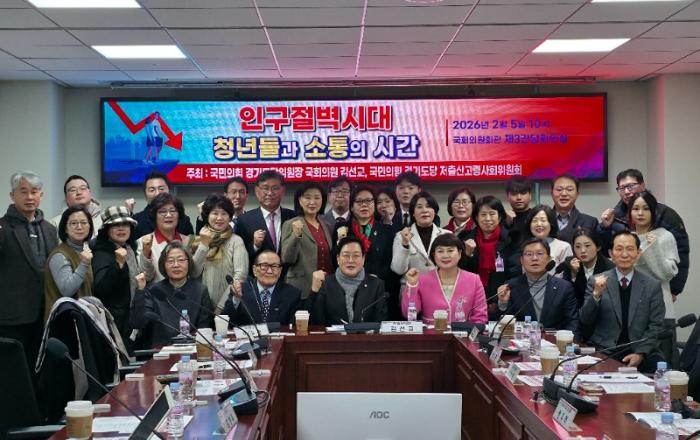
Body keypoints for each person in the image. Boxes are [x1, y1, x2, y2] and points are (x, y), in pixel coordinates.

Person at [580, 230, 666, 373]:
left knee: (662, 373)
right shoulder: (596, 281)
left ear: (638, 253)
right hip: (605, 351)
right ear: (611, 253)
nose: (625, 254)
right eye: (619, 249)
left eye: (630, 249)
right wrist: (596, 294)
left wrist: (640, 354)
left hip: (640, 350)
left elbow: (656, 326)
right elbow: (585, 319)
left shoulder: (652, 285)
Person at [600, 168, 688, 298]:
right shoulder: (614, 216)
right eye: (622, 188)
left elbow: (681, 251)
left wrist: (674, 289)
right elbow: (605, 252)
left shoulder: (666, 215)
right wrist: (604, 228)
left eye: (630, 186)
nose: (626, 192)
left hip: (660, 287)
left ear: (642, 185)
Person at [0, 171, 58, 367]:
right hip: (12, 317)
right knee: (13, 372)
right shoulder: (3, 228)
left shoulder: (50, 230)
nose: (29, 197)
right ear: (12, 195)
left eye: (34, 191)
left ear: (41, 194)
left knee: (41, 371)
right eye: (23, 192)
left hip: (45, 314)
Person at [628, 190, 680, 367]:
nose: (640, 213)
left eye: (646, 208)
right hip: (633, 310)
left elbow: (667, 274)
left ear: (653, 212)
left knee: (663, 365)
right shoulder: (627, 239)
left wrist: (653, 247)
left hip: (661, 309)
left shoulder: (664, 236)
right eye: (635, 208)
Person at [131, 242, 214, 347]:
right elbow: (138, 323)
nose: (176, 265)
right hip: (161, 350)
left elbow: (204, 327)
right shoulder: (154, 290)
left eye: (181, 260)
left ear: (189, 263)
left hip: (193, 348)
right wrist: (140, 291)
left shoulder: (200, 290)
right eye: (170, 261)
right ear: (163, 265)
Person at [335, 186, 398, 319]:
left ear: (374, 205)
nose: (364, 205)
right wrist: (340, 240)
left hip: (378, 289)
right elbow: (335, 259)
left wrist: (373, 277)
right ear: (352, 207)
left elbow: (390, 263)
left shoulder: (386, 230)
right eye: (359, 201)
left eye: (369, 201)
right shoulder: (342, 229)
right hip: (348, 288)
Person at [401, 233, 487, 324]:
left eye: (450, 250)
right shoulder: (422, 280)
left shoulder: (474, 280)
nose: (445, 255)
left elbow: (480, 317)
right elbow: (408, 314)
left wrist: (468, 332)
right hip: (431, 332)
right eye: (440, 251)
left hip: (463, 332)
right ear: (434, 255)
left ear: (459, 253)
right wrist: (412, 285)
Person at [496, 238, 578, 332]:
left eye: (539, 253)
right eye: (529, 254)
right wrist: (503, 303)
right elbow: (504, 326)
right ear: (521, 260)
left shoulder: (564, 287)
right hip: (522, 339)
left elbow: (572, 322)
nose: (534, 258)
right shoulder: (511, 286)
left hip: (554, 340)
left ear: (549, 259)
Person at [190, 194, 248, 313]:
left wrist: (222, 306)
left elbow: (240, 275)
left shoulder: (236, 241)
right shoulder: (197, 240)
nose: (219, 218)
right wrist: (204, 245)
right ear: (207, 215)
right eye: (215, 213)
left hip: (227, 306)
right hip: (199, 305)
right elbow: (193, 273)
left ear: (230, 217)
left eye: (224, 214)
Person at [310, 236, 388, 325]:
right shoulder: (326, 284)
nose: (351, 260)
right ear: (338, 259)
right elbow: (315, 321)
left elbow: (381, 323)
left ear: (363, 259)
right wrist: (314, 292)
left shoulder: (376, 285)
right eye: (346, 255)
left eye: (356, 256)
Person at [91, 206, 142, 341]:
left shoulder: (129, 248)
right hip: (113, 323)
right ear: (106, 229)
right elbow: (101, 289)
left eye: (125, 224)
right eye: (115, 225)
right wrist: (118, 265)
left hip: (130, 318)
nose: (121, 229)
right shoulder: (101, 252)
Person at [461, 196, 521, 308]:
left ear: (499, 217)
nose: (488, 219)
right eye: (483, 214)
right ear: (476, 217)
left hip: (504, 299)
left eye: (492, 214)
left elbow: (515, 272)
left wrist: (497, 300)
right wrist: (467, 255)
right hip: (471, 299)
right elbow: (461, 274)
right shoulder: (466, 240)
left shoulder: (511, 239)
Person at [223, 250, 306, 326]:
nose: (269, 271)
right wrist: (236, 299)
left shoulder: (292, 294)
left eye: (274, 266)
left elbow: (294, 329)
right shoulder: (241, 290)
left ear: (280, 271)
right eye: (264, 266)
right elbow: (226, 323)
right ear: (254, 270)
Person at [280, 182, 333, 300]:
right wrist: (296, 235)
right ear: (300, 200)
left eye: (317, 198)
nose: (312, 202)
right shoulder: (291, 224)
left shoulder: (327, 226)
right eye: (307, 197)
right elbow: (287, 258)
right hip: (302, 288)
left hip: (326, 287)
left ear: (323, 200)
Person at [44, 206, 95, 320]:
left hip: (81, 318)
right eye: (73, 223)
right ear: (65, 228)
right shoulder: (59, 255)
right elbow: (67, 290)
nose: (79, 227)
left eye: (83, 222)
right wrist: (84, 264)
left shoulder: (84, 251)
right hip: (64, 320)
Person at [391, 191, 450, 288]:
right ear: (413, 213)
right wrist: (405, 244)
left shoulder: (447, 235)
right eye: (419, 207)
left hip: (440, 288)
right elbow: (398, 270)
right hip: (412, 288)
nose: (424, 210)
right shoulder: (401, 236)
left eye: (428, 206)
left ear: (434, 211)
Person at [235, 170, 296, 262]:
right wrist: (255, 245)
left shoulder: (294, 218)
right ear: (257, 191)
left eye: (275, 188)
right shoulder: (244, 220)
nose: (270, 193)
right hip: (259, 270)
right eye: (265, 188)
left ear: (283, 191)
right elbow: (239, 255)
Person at [138, 193, 197, 283]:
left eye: (173, 211)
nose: (168, 215)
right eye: (162, 212)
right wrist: (146, 253)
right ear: (155, 216)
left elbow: (194, 274)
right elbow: (147, 277)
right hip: (156, 291)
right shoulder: (142, 242)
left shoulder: (188, 241)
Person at [561, 228, 614, 309]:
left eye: (587, 246)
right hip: (575, 310)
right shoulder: (569, 263)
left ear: (598, 247)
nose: (582, 251)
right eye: (578, 246)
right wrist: (573, 275)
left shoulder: (609, 267)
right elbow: (565, 295)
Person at [131, 171, 194, 239]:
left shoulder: (183, 220)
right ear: (145, 196)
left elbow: (193, 243)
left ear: (169, 191)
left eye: (161, 189)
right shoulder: (137, 221)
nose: (157, 193)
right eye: (152, 190)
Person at [524, 204, 573, 275]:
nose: (539, 224)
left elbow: (568, 275)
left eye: (543, 220)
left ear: (551, 223)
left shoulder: (563, 247)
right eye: (534, 220)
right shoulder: (524, 246)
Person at [550, 173, 598, 244]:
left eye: (569, 190)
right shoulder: (542, 221)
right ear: (552, 194)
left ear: (577, 194)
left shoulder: (590, 222)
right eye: (559, 189)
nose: (564, 194)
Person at [504, 175, 532, 239]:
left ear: (530, 195)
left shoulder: (536, 217)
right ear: (507, 197)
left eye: (523, 193)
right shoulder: (503, 219)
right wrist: (506, 225)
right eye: (514, 193)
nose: (519, 197)